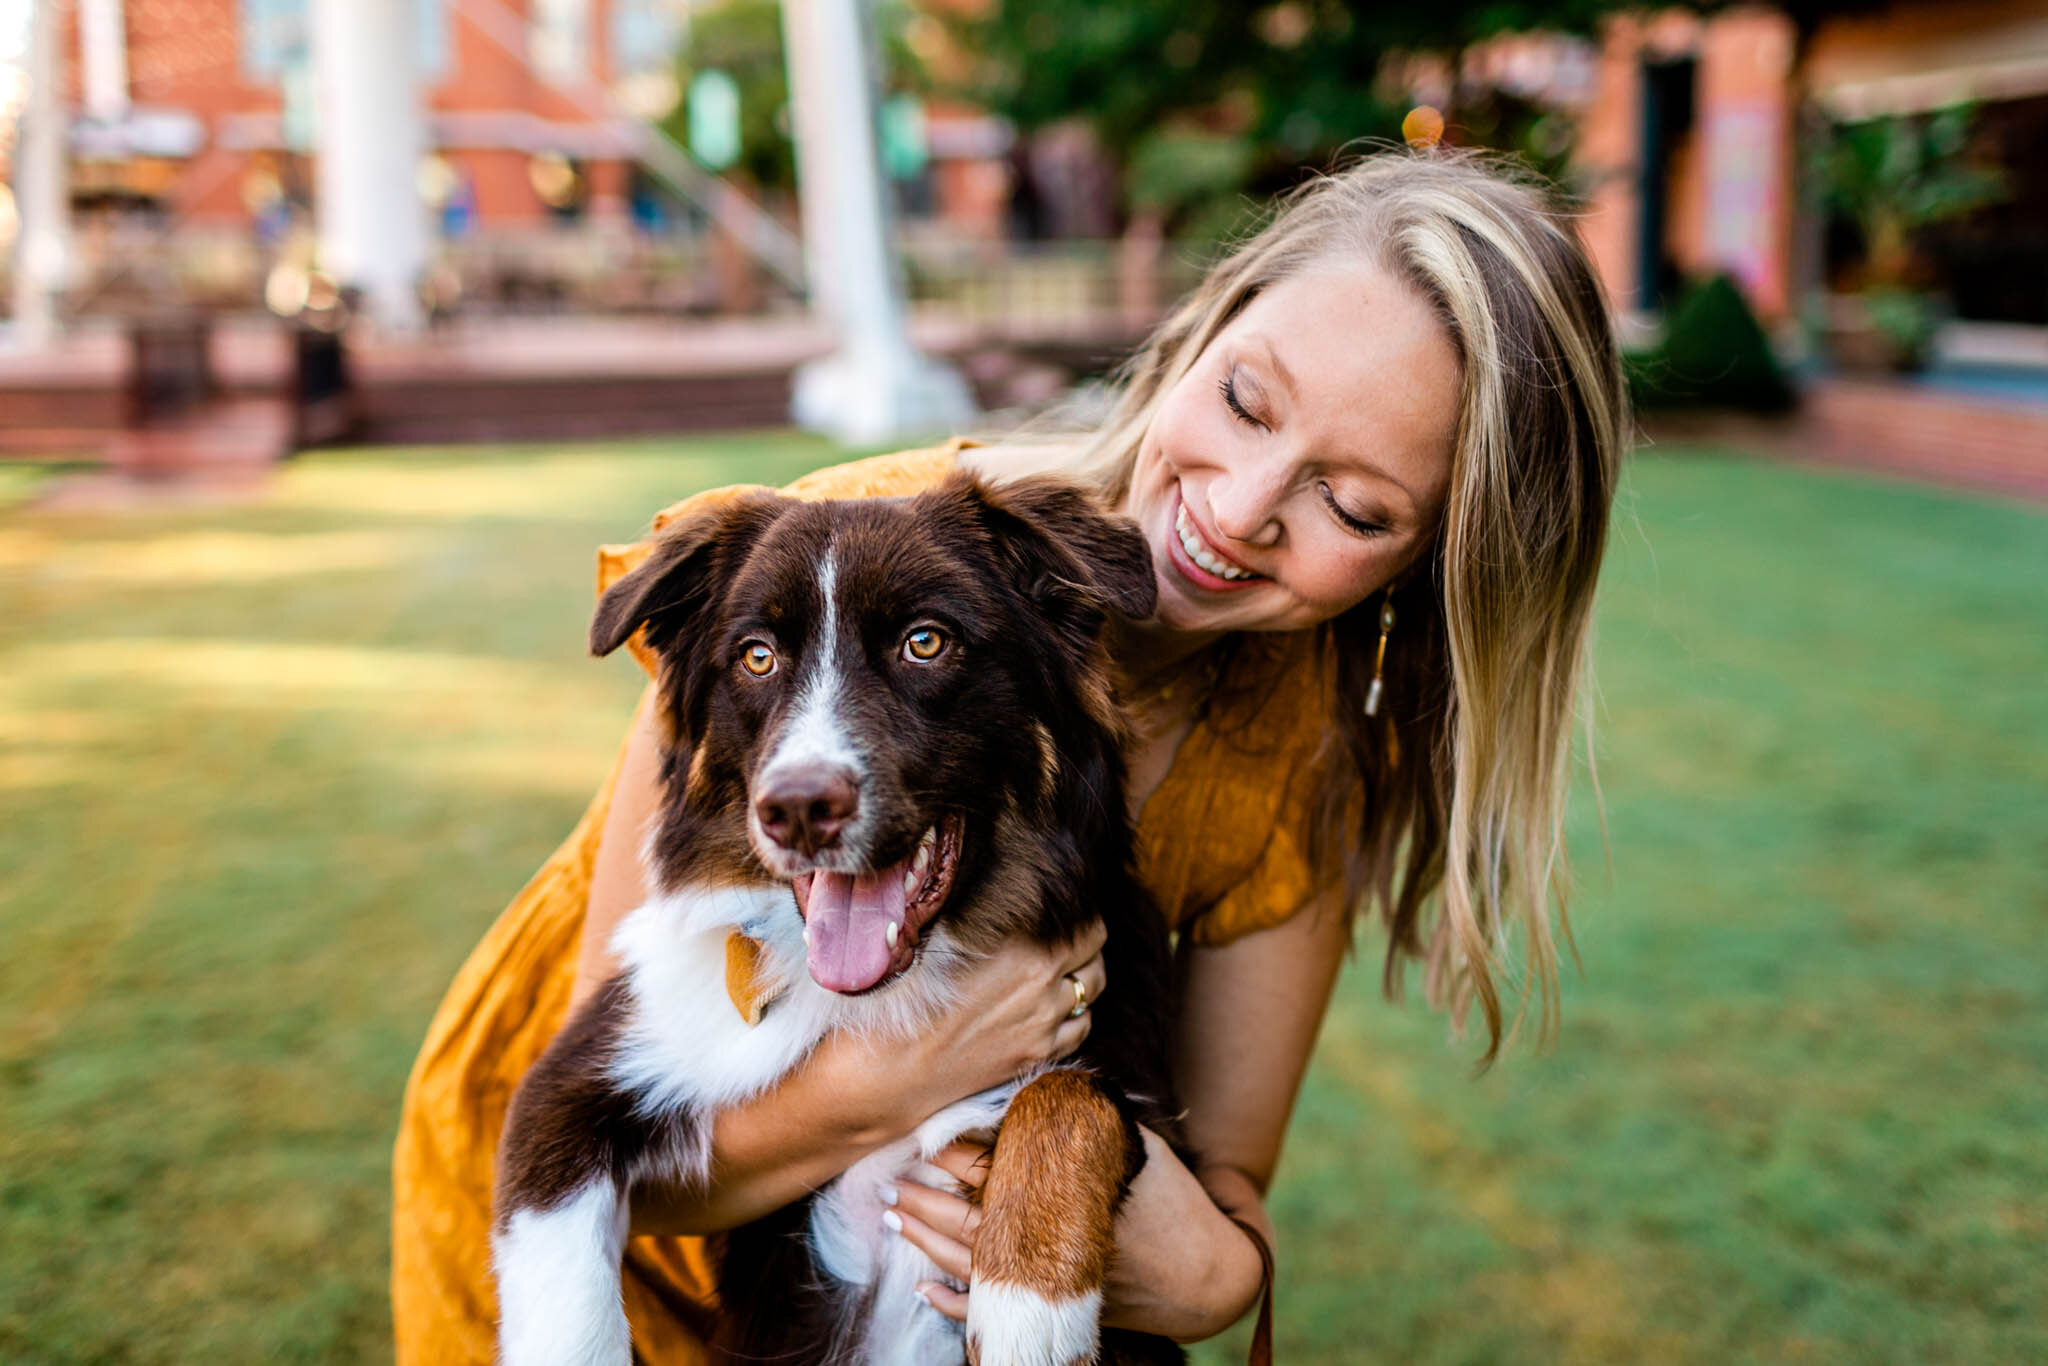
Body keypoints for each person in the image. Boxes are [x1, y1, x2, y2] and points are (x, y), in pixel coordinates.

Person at [391, 148, 1628, 1361]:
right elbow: (599, 1130)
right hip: (582, 1243)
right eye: (1246, 401)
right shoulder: (830, 559)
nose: (1242, 505)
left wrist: (1205, 1277)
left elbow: (1224, 1176)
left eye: (1351, 508)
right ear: (1201, 329)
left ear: (1434, 560)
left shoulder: (1291, 763)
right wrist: (906, 1077)